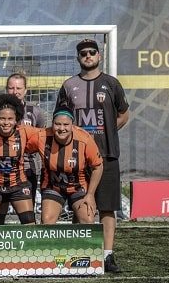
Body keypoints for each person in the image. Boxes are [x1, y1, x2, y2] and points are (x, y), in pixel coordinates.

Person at [55, 38, 129, 273]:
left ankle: (107, 256)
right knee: (82, 206)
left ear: (99, 56)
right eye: (83, 53)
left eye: (92, 52)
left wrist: (107, 132)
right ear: (78, 58)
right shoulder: (68, 85)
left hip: (107, 154)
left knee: (107, 207)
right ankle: (81, 252)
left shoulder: (112, 84)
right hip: (76, 157)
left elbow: (124, 114)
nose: (88, 56)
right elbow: (61, 119)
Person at [0, 73, 46, 224]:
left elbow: (42, 138)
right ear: (6, 89)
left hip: (26, 169)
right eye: (11, 88)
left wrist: (24, 149)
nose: (15, 91)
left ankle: (28, 246)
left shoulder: (35, 112)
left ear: (25, 90)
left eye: (19, 88)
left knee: (27, 218)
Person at [39, 105, 103, 225]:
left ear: (72, 125)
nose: (61, 128)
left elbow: (98, 167)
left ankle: (81, 243)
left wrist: (90, 195)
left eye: (66, 125)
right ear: (52, 124)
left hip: (78, 187)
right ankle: (51, 244)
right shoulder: (42, 136)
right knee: (47, 221)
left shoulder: (85, 139)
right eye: (57, 124)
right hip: (53, 187)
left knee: (88, 221)